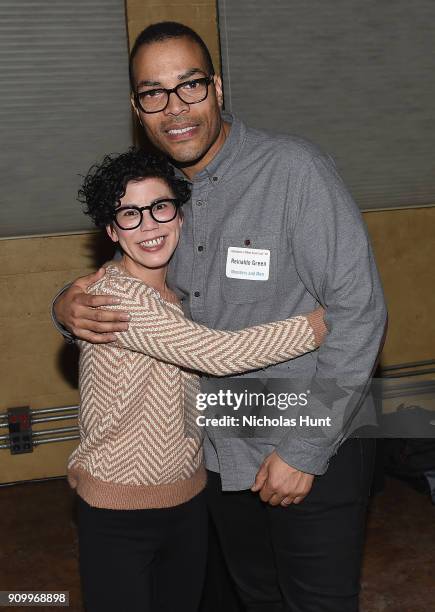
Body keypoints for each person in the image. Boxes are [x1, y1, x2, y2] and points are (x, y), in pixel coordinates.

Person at [53, 21, 387, 612]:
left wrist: (303, 451)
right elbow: (124, 279)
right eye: (154, 93)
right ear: (138, 107)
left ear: (219, 88)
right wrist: (65, 306)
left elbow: (359, 310)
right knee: (255, 596)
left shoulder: (293, 171)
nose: (175, 108)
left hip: (312, 436)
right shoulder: (160, 196)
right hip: (219, 448)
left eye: (191, 86)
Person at [70, 147, 327, 612]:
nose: (149, 225)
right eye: (130, 214)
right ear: (111, 230)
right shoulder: (114, 298)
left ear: (180, 217)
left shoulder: (176, 292)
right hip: (118, 509)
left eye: (160, 207)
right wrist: (326, 321)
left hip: (186, 498)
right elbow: (218, 353)